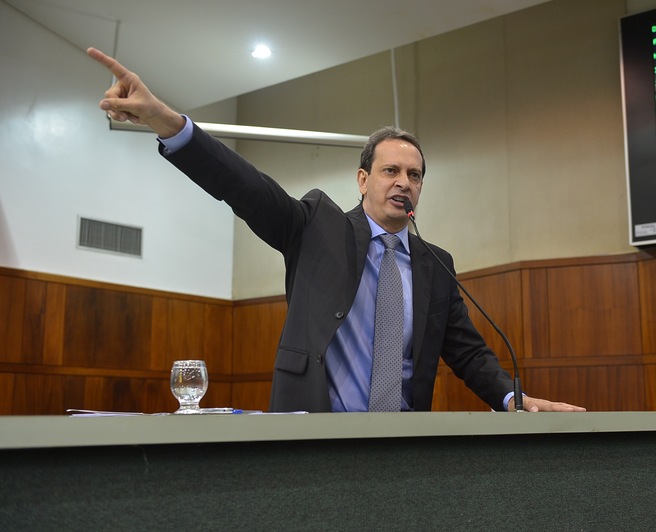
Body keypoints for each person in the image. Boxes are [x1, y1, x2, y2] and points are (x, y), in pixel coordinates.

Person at [86, 47, 586, 414]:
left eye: (415, 175)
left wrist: (512, 398)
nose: (404, 182)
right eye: (391, 171)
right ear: (363, 180)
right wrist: (169, 123)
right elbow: (245, 187)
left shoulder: (436, 264)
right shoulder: (316, 227)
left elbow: (468, 352)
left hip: (404, 443)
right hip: (315, 436)